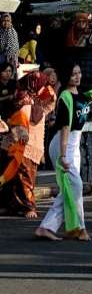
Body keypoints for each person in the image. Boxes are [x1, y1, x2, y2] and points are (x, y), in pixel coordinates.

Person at [34, 63, 92, 241]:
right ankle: (79, 228)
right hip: (63, 144)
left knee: (71, 188)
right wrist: (63, 156)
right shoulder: (65, 97)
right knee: (77, 186)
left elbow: (86, 119)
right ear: (66, 76)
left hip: (74, 144)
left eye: (79, 73)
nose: (77, 77)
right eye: (73, 74)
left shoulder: (80, 96)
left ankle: (50, 227)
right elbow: (65, 127)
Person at [0, 72, 56, 219]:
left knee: (20, 179)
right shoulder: (27, 102)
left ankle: (21, 206)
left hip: (24, 147)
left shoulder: (31, 101)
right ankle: (20, 206)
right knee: (21, 179)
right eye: (42, 85)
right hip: (24, 147)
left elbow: (50, 104)